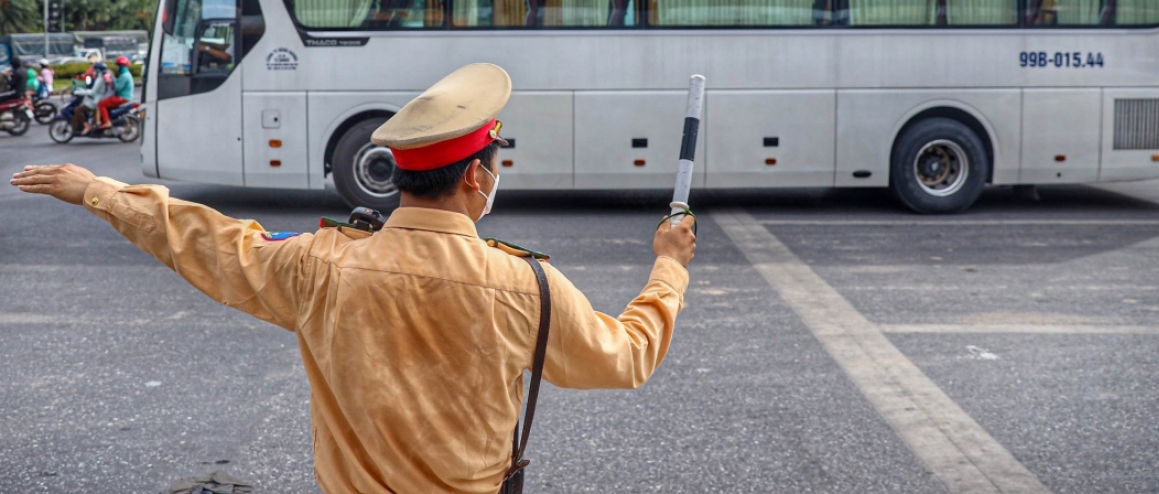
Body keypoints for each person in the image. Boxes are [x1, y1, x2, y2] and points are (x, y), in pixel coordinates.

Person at [11, 63, 696, 494]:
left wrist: (97, 189)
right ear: (476, 176)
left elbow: (208, 239)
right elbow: (626, 357)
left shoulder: (320, 262)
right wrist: (668, 264)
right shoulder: (526, 286)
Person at [95, 56, 134, 131]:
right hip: (124, 96)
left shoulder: (124, 76)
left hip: (122, 97)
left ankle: (107, 122)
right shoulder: (126, 74)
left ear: (122, 66)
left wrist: (112, 78)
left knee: (101, 104)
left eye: (118, 65)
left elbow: (117, 87)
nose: (117, 67)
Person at [76, 61, 111, 134]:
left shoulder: (100, 79)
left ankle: (87, 126)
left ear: (98, 70)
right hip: (100, 98)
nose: (93, 71)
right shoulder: (105, 77)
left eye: (95, 69)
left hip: (97, 100)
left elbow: (92, 92)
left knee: (78, 110)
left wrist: (78, 92)